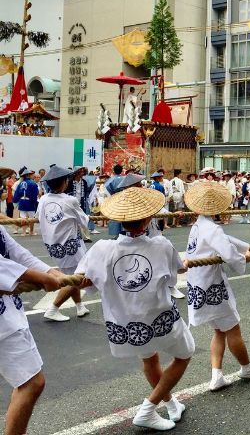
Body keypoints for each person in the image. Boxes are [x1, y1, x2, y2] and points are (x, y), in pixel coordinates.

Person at [77, 186, 193, 430]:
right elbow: (178, 270)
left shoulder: (101, 250)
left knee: (149, 358)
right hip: (160, 317)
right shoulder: (161, 245)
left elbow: (80, 279)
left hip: (126, 322)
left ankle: (171, 404)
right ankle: (149, 408)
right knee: (185, 354)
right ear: (149, 218)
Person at [183, 182, 250, 392]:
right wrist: (246, 257)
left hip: (198, 285)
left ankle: (217, 375)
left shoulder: (198, 225)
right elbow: (230, 254)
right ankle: (246, 368)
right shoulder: (211, 228)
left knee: (219, 331)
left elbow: (226, 240)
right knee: (232, 329)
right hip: (212, 287)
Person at [0, 227, 63, 435]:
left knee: (27, 382)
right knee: (31, 383)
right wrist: (42, 277)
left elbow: (16, 252)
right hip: (4, 320)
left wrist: (49, 272)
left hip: (8, 311)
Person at [37, 166, 90, 322]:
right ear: (65, 182)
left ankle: (80, 306)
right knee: (77, 278)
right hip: (70, 246)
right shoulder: (69, 200)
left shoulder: (43, 199)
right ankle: (53, 309)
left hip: (54, 246)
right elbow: (84, 222)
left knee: (70, 276)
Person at [13, 168, 39, 237]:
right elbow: (35, 194)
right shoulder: (33, 183)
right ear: (28, 175)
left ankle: (24, 232)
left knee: (23, 217)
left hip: (22, 202)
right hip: (29, 202)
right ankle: (31, 231)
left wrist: (15, 200)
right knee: (31, 217)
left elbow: (17, 193)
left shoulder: (20, 183)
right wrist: (34, 201)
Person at [104, 164, 124, 239]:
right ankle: (124, 232)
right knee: (124, 216)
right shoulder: (124, 178)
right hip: (124, 198)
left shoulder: (111, 179)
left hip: (115, 198)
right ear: (121, 171)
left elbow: (107, 187)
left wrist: (112, 193)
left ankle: (117, 234)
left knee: (116, 216)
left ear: (114, 171)